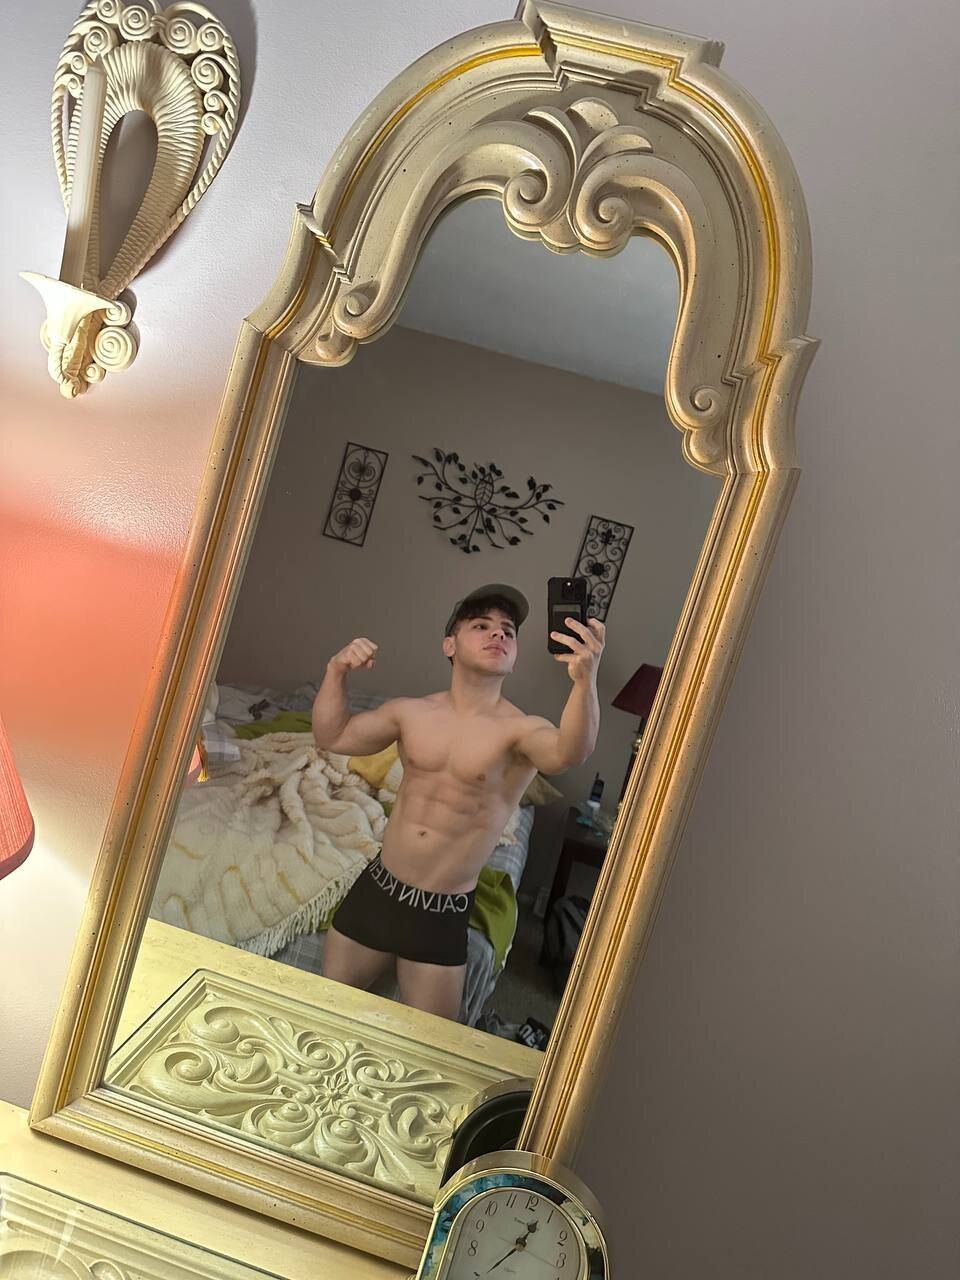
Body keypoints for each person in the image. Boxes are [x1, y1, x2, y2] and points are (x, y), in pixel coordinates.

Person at [311, 583, 605, 1021]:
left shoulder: (522, 730)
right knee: (324, 1019)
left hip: (441, 911)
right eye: (481, 625)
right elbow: (331, 736)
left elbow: (570, 752)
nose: (499, 633)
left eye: (508, 630)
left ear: (515, 654)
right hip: (379, 889)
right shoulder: (409, 712)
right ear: (449, 644)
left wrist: (585, 680)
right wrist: (336, 671)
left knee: (427, 1049)